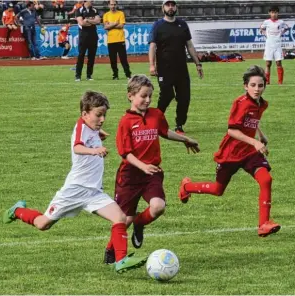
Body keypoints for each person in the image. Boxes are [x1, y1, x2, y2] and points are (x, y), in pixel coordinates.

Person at [3, 91, 147, 273]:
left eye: (104, 115)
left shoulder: (92, 127)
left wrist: (98, 133)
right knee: (42, 224)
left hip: (94, 192)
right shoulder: (81, 127)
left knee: (119, 218)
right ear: (84, 114)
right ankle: (17, 210)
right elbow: (77, 147)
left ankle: (120, 261)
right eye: (98, 115)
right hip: (74, 190)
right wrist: (94, 150)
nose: (102, 119)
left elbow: (91, 133)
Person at [104, 75, 200, 264]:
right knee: (124, 219)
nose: (147, 100)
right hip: (130, 175)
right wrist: (142, 166)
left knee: (158, 207)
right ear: (130, 96)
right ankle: (110, 250)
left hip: (152, 173)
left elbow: (164, 132)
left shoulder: (156, 114)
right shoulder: (125, 122)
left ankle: (140, 223)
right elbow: (125, 154)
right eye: (143, 96)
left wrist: (186, 139)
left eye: (150, 96)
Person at [178, 65, 281, 238]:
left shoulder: (262, 104)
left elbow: (253, 121)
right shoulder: (240, 104)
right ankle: (187, 186)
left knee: (266, 179)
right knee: (218, 190)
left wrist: (261, 135)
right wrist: (255, 141)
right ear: (245, 86)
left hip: (249, 152)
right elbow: (232, 130)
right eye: (253, 85)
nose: (257, 89)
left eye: (260, 85)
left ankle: (263, 224)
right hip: (231, 153)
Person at [148, 0, 203, 135]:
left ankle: (179, 125)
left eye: (173, 5)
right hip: (164, 69)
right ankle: (155, 121)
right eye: (168, 5)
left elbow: (189, 45)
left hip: (181, 69)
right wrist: (151, 65)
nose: (170, 7)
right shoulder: (158, 25)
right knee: (166, 96)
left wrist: (198, 63)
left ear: (176, 7)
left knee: (184, 98)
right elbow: (152, 46)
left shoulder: (182, 24)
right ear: (163, 8)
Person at [260, 6, 289, 85]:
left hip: (277, 45)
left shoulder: (281, 22)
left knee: (278, 62)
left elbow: (287, 28)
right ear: (269, 13)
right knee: (268, 63)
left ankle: (280, 82)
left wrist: (281, 33)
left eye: (275, 12)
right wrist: (265, 34)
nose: (274, 14)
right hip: (269, 45)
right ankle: (267, 81)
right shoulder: (266, 22)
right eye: (272, 12)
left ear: (278, 13)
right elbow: (261, 28)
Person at [103, 0, 131, 80]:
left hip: (120, 40)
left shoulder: (121, 13)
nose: (113, 6)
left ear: (117, 5)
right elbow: (105, 27)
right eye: (111, 4)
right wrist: (115, 23)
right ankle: (115, 75)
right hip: (111, 40)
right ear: (108, 5)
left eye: (114, 4)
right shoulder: (106, 15)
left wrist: (110, 25)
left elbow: (121, 26)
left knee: (123, 59)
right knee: (113, 60)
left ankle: (128, 74)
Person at [75, 0, 101, 82]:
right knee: (81, 56)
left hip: (93, 36)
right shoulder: (79, 10)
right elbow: (82, 23)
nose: (92, 1)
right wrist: (91, 21)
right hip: (83, 37)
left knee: (91, 57)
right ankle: (78, 75)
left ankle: (89, 75)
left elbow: (98, 21)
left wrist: (88, 20)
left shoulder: (95, 10)